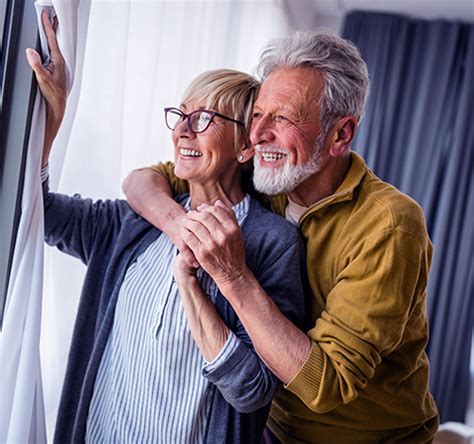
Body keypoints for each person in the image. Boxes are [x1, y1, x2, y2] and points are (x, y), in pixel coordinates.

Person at [124, 30, 440, 443]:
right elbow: (143, 181)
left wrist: (233, 277)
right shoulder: (266, 178)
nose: (256, 136)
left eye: (284, 118)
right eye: (257, 115)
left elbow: (324, 384)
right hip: (272, 431)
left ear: (340, 135)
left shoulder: (390, 225)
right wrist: (180, 227)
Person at [26, 12, 306, 443]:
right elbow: (36, 210)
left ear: (246, 146)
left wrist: (194, 286)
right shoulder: (135, 221)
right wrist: (53, 116)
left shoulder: (273, 243)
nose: (181, 130)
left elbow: (252, 392)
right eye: (180, 115)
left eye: (204, 118)